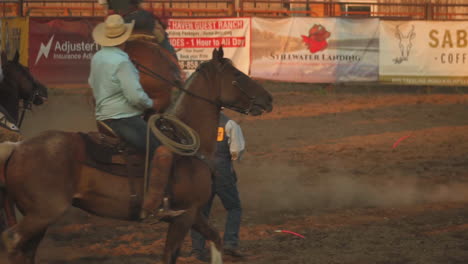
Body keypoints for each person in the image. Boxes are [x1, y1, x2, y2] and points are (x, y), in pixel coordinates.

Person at [88, 14, 184, 220]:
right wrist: (151, 104)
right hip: (123, 119)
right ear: (123, 37)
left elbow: (92, 85)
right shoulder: (122, 62)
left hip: (103, 116)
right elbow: (135, 95)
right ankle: (154, 206)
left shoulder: (98, 58)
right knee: (163, 151)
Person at [190, 111, 245, 262]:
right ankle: (230, 243)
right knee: (234, 208)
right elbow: (236, 151)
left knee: (201, 213)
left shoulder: (194, 122)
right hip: (222, 171)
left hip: (201, 172)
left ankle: (198, 249)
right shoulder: (230, 124)